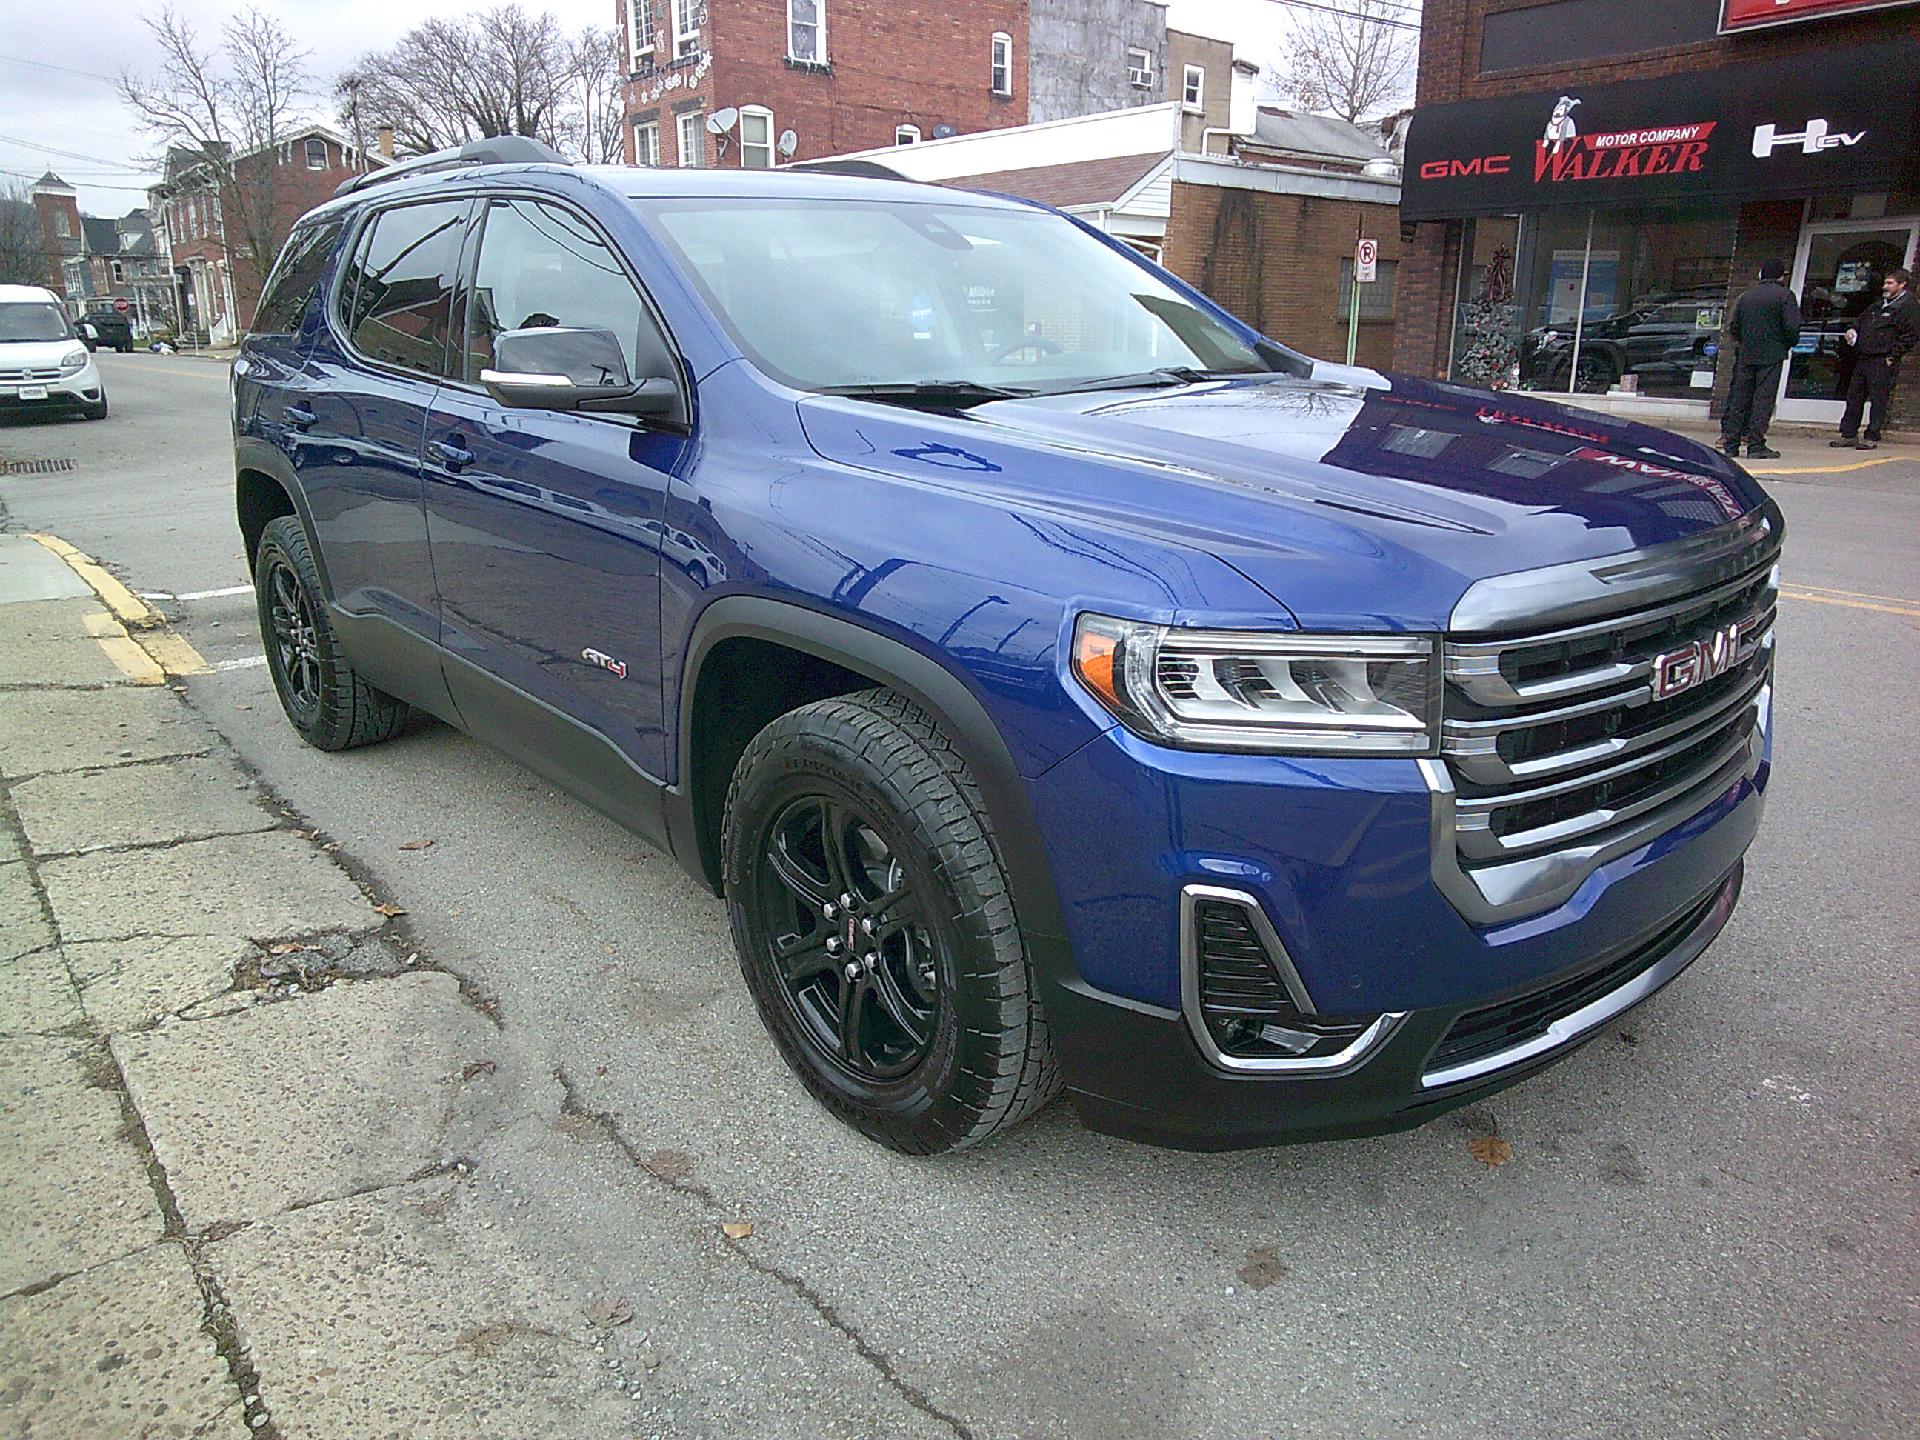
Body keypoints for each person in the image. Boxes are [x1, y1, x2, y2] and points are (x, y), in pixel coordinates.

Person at [1719, 259, 1801, 461]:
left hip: (1746, 354)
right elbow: (1792, 327)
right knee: (1762, 400)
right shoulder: (1785, 296)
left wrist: (1745, 342)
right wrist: (1786, 344)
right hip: (1771, 355)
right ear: (1780, 276)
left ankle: (1731, 444)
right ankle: (1756, 444)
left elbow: (1734, 327)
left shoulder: (1746, 296)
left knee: (1740, 399)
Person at [1832, 267, 1919, 450]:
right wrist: (1852, 330)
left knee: (1878, 399)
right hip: (1864, 357)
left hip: (1882, 359)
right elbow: (1860, 320)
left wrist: (1893, 356)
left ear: (1902, 285)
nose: (1885, 287)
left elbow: (1910, 335)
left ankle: (1871, 435)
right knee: (1854, 397)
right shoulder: (1878, 304)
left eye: (1890, 283)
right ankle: (1848, 433)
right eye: (1885, 283)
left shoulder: (1908, 306)